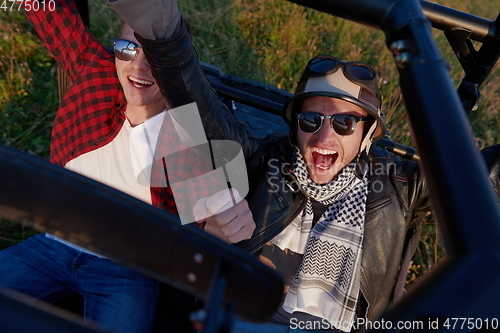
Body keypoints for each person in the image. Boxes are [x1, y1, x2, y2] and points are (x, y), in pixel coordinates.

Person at [109, 1, 500, 333]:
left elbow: (487, 171)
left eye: (344, 123)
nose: (323, 136)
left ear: (367, 136)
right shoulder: (264, 161)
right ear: (295, 126)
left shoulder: (399, 187)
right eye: (311, 121)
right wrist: (161, 28)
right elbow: (195, 102)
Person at [0, 1, 212, 332]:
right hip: (53, 244)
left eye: (155, 56)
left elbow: (208, 223)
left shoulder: (186, 125)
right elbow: (47, 10)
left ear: (176, 64)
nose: (138, 66)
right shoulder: (96, 72)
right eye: (128, 48)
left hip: (127, 267)